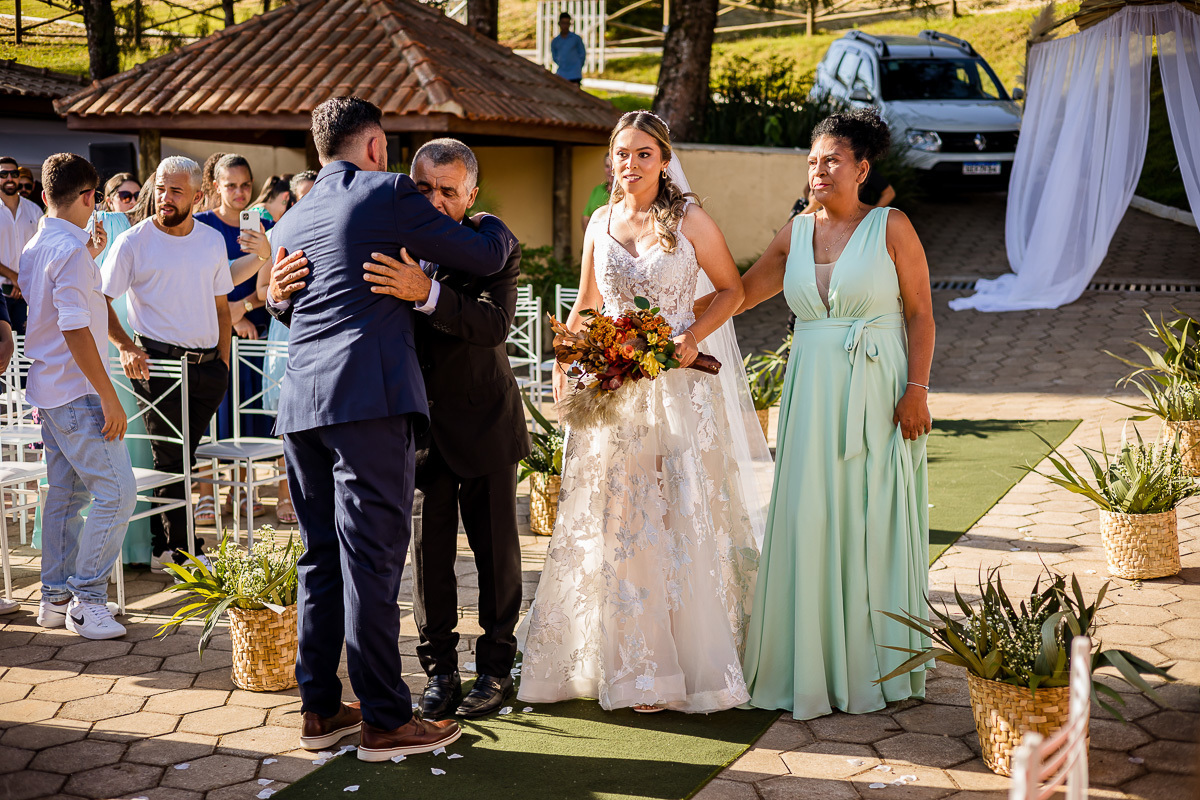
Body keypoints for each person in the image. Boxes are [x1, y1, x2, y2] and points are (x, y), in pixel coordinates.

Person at [264, 95, 518, 761]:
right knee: (372, 562)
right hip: (367, 403)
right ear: (376, 146)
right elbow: (483, 255)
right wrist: (497, 231)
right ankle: (385, 719)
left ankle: (321, 709)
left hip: (302, 406)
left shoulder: (295, 214)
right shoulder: (386, 192)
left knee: (319, 559)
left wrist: (271, 292)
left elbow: (297, 300)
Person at [517, 111, 768, 714]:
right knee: (620, 519)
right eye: (621, 154)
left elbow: (732, 290)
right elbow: (587, 303)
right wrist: (566, 358)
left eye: (643, 154)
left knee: (674, 512)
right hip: (613, 392)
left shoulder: (689, 220)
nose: (629, 164)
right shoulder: (599, 222)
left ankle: (681, 661)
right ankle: (630, 662)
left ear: (664, 160)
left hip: (677, 390)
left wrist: (691, 337)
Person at [727, 108, 935, 720]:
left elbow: (921, 313)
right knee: (809, 516)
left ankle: (875, 666)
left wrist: (917, 390)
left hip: (877, 391)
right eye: (813, 161)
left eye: (832, 161)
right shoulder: (795, 232)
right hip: (811, 395)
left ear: (862, 169)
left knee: (870, 517)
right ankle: (807, 663)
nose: (819, 171)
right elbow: (739, 294)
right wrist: (666, 314)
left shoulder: (891, 225)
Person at [361, 139, 530, 721]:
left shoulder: (492, 245)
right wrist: (279, 294)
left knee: (497, 558)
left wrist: (427, 293)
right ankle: (439, 673)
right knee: (429, 562)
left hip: (486, 424)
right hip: (420, 432)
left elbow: (494, 324)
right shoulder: (387, 240)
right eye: (424, 188)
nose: (435, 201)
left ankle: (496, 668)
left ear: (471, 195)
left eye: (448, 191)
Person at [21, 153, 136, 640]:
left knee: (66, 497)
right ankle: (86, 600)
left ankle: (55, 598)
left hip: (51, 388)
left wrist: (88, 254)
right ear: (89, 197)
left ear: (45, 194)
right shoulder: (69, 250)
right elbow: (73, 328)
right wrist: (109, 395)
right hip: (77, 390)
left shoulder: (40, 243)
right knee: (118, 493)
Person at [102, 156, 234, 569]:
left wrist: (223, 364)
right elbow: (99, 300)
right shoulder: (133, 241)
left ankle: (164, 546)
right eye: (160, 188)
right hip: (157, 366)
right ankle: (184, 553)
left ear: (197, 196)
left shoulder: (212, 240)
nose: (165, 197)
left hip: (209, 369)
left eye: (176, 191)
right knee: (172, 459)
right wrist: (125, 345)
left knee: (182, 458)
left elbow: (222, 308)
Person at [194, 154, 274, 521]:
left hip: (253, 333)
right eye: (231, 186)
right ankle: (206, 492)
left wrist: (244, 308)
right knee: (210, 412)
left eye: (245, 185)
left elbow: (272, 277)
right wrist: (229, 317)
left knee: (243, 411)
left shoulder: (266, 226)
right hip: (210, 332)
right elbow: (194, 280)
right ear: (216, 186)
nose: (240, 193)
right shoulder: (200, 226)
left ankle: (241, 490)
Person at [256, 171, 317, 526]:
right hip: (286, 329)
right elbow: (262, 288)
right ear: (292, 200)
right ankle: (285, 492)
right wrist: (283, 287)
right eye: (303, 195)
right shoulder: (279, 233)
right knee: (287, 412)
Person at [0, 156, 44, 334]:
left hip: (28, 293)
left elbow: (41, 251)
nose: (10, 178)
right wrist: (14, 277)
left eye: (14, 174)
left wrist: (23, 281)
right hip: (1, 293)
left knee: (27, 346)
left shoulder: (35, 210)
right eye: (3, 174)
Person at [551, 12, 586, 85]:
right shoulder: (555, 41)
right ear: (559, 23)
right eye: (563, 23)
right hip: (561, 74)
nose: (565, 26)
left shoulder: (576, 38)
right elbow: (554, 56)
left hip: (575, 74)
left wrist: (578, 65)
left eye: (567, 23)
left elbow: (582, 54)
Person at [581, 152, 612, 233]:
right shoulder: (597, 190)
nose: (610, 170)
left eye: (613, 167)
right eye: (607, 166)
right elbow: (586, 217)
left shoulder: (628, 192)